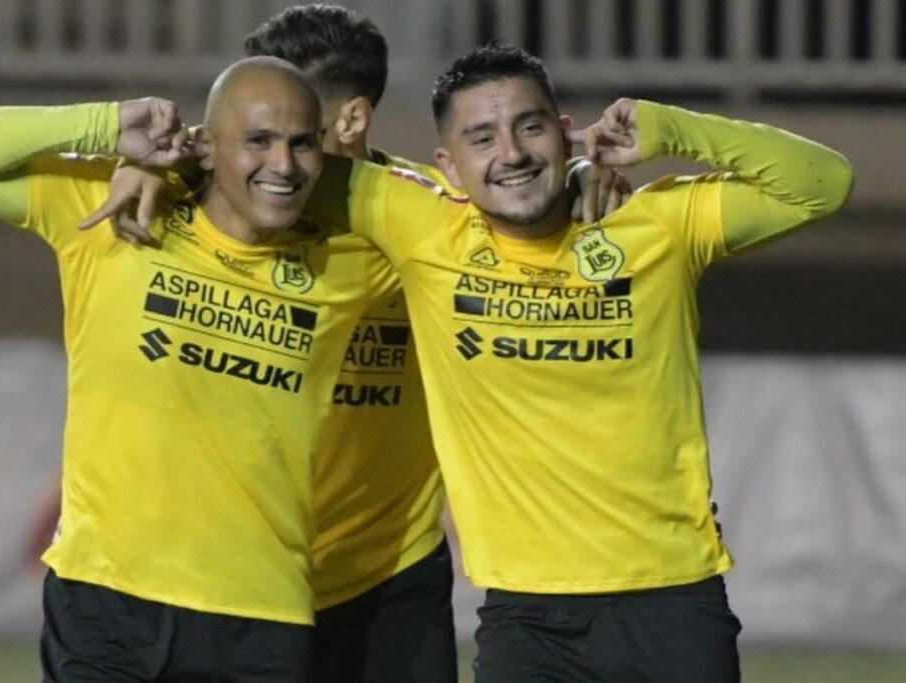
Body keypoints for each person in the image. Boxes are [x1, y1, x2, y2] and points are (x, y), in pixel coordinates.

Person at [80, 7, 631, 683]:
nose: (276, 151)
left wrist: (577, 176)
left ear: (348, 121)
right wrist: (156, 173)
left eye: (299, 125)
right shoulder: (208, 212)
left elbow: (519, 202)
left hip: (386, 579)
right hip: (250, 583)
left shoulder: (421, 223)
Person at [305, 44, 848, 681]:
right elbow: (258, 160)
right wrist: (156, 162)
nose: (510, 152)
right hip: (526, 620)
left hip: (674, 602)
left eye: (529, 126)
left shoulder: (654, 225)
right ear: (447, 167)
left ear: (566, 135)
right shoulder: (421, 227)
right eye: (482, 138)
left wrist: (673, 129)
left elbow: (822, 185)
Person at [0, 57, 399, 682]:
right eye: (258, 140)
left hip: (259, 612)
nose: (282, 164)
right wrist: (112, 128)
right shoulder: (110, 212)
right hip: (104, 600)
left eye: (300, 143)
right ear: (209, 144)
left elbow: (466, 217)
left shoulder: (354, 256)